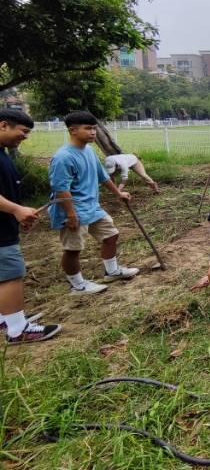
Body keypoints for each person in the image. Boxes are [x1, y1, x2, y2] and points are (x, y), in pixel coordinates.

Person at [49, 111, 139, 295]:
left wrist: (118, 193)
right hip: (73, 209)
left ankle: (111, 271)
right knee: (73, 249)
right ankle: (77, 285)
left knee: (111, 235)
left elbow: (102, 176)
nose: (93, 133)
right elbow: (61, 189)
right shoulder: (63, 157)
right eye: (88, 128)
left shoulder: (88, 150)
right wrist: (71, 214)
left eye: (94, 129)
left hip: (92, 207)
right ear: (73, 130)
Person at [0, 110, 61, 344]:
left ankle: (5, 316)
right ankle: (18, 330)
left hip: (5, 224)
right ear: (4, 125)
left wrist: (16, 213)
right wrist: (16, 210)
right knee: (10, 275)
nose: (25, 137)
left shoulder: (3, 153)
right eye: (23, 131)